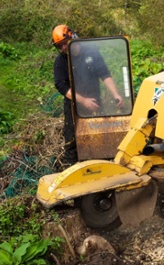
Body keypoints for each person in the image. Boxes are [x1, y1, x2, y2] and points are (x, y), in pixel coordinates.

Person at [51, 24, 123, 166]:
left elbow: (105, 74)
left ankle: (104, 165)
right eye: (59, 46)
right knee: (72, 141)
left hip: (96, 101)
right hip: (73, 105)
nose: (63, 48)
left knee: (101, 135)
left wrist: (116, 95)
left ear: (73, 38)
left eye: (65, 44)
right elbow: (61, 86)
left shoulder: (91, 52)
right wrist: (83, 101)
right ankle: (72, 169)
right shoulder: (60, 62)